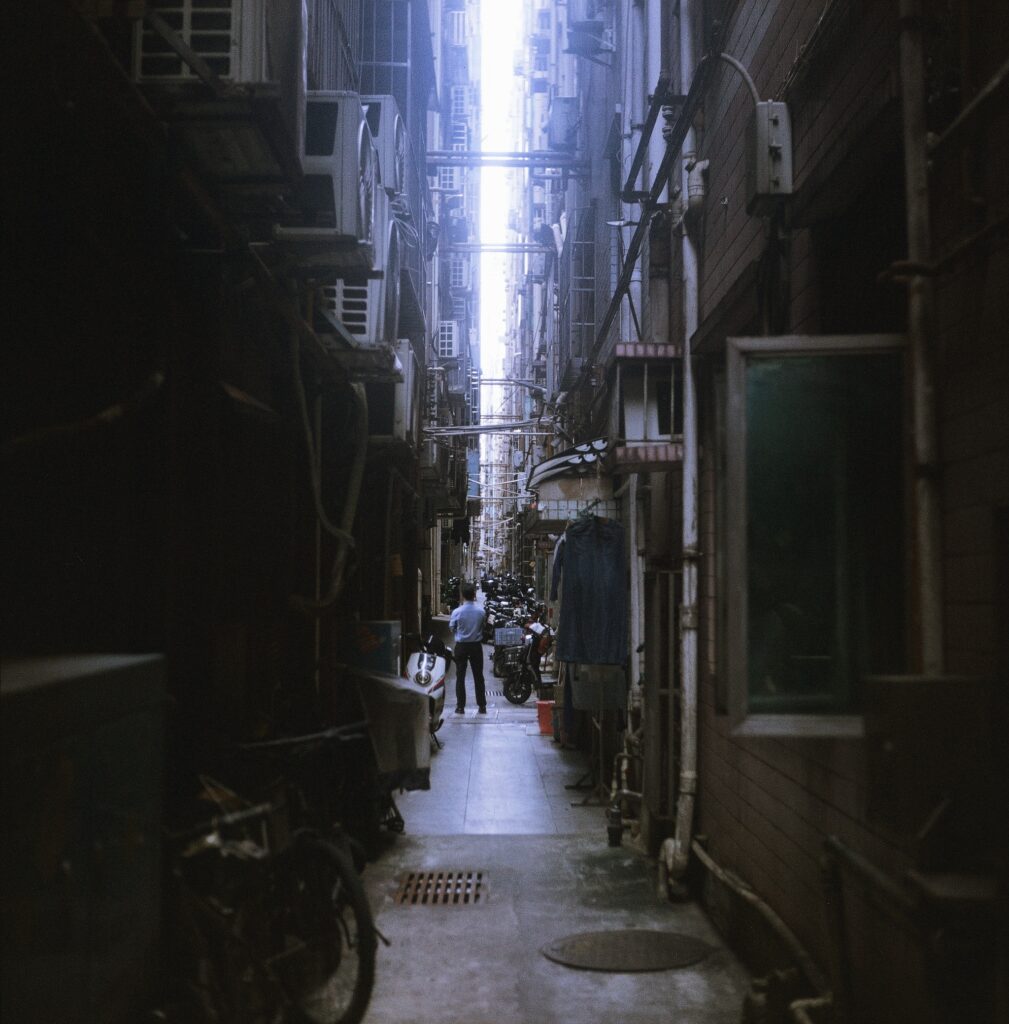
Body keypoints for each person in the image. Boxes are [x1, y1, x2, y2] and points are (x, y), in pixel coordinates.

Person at [449, 582, 487, 714]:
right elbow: (483, 626)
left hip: (461, 646)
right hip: (476, 646)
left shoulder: (456, 612)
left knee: (460, 676)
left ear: (462, 595)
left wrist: (460, 634)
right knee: (478, 676)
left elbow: (452, 627)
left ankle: (460, 707)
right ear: (474, 595)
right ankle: (482, 706)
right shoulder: (481, 611)